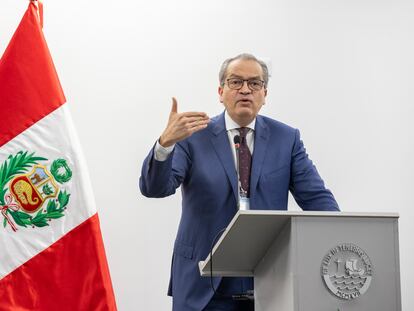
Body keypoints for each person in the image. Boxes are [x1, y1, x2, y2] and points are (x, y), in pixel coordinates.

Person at [139, 53, 339, 311]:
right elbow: (154, 188)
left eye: (255, 83)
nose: (245, 89)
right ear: (221, 91)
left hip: (268, 281)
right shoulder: (192, 136)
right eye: (236, 82)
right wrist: (165, 144)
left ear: (265, 93)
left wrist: (338, 234)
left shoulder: (286, 139)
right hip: (202, 283)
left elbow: (317, 200)